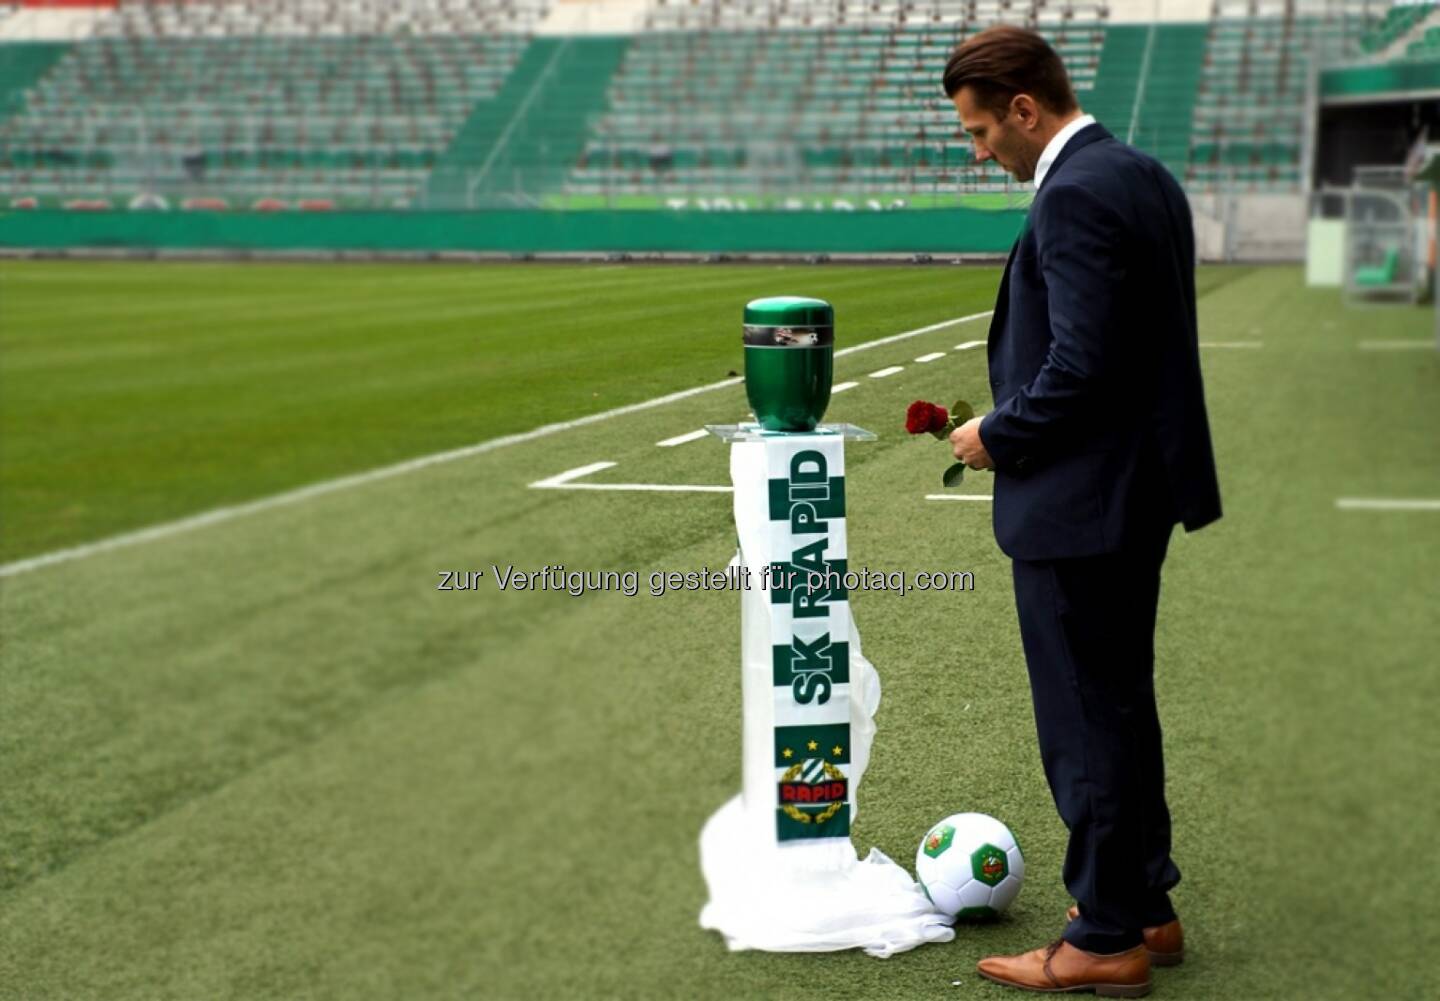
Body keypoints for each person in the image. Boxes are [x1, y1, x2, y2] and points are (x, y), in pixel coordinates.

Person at [941, 25, 1223, 998]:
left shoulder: (1077, 191)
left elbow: (1083, 367)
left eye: (983, 131)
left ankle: (1106, 933)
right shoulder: (1140, 172)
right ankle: (1145, 900)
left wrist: (995, 434)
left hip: (1082, 499)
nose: (981, 152)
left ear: (1025, 107)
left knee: (1086, 721)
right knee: (1117, 701)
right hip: (1131, 490)